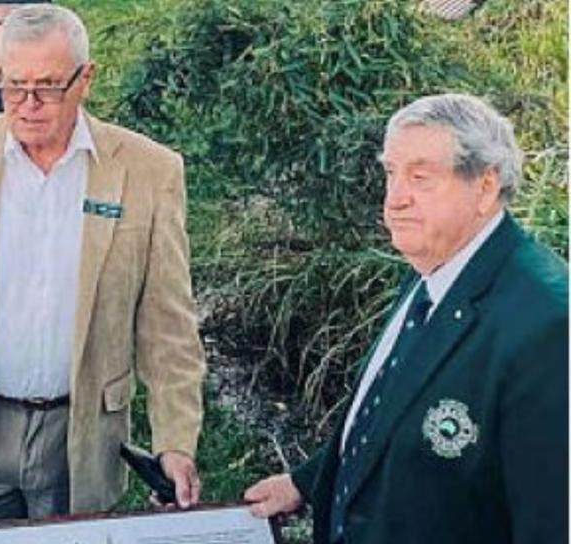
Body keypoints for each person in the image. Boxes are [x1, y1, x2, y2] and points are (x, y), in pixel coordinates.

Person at [0, 5, 206, 543]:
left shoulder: (149, 172)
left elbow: (168, 328)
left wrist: (176, 442)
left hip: (79, 442)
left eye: (49, 87)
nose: (28, 106)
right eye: (14, 86)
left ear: (87, 78)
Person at [243, 93, 568, 543]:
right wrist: (305, 482)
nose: (395, 199)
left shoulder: (547, 323)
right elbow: (391, 414)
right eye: (391, 173)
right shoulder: (431, 272)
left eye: (421, 177)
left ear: (486, 187)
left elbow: (551, 522)